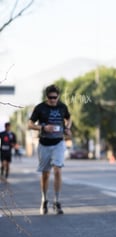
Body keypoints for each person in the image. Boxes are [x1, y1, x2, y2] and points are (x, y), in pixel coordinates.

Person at [28, 84, 72, 215]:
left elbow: (69, 117)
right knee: (45, 174)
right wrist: (42, 128)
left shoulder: (62, 107)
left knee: (58, 170)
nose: (52, 100)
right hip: (44, 144)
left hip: (58, 143)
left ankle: (57, 201)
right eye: (50, 97)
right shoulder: (40, 108)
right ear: (46, 97)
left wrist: (68, 127)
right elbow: (30, 124)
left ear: (58, 96)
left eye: (54, 97)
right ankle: (44, 200)